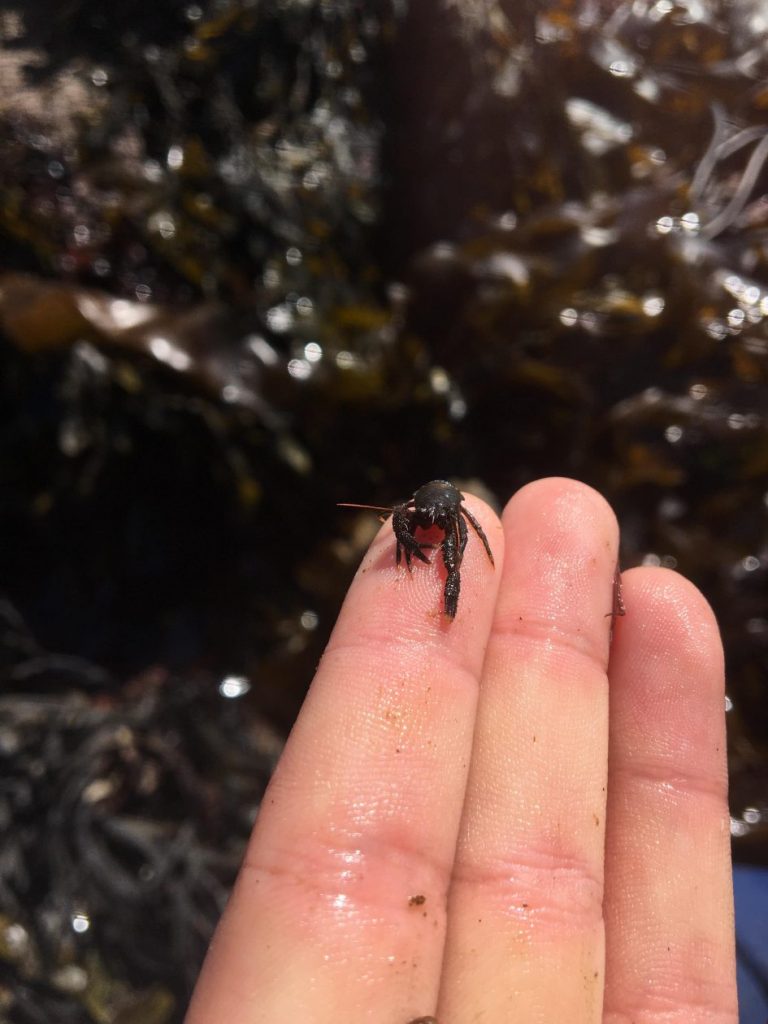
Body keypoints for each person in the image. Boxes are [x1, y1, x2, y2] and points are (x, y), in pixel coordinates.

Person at [185, 478, 738, 1023]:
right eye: (419, 517)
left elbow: (468, 537)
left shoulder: (455, 521)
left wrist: (455, 578)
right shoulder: (416, 511)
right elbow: (407, 517)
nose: (423, 524)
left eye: (428, 520)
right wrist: (407, 533)